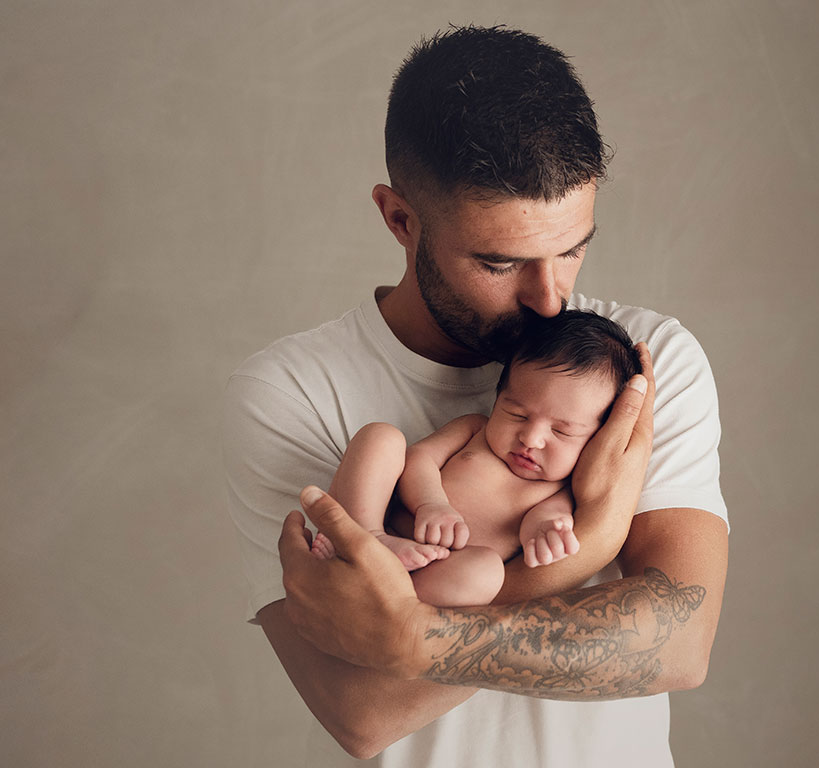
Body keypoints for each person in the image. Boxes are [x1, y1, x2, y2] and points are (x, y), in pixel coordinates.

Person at [223, 24, 729, 767]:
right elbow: (363, 714)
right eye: (500, 261)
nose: (552, 301)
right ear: (400, 219)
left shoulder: (640, 368)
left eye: (572, 247)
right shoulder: (291, 390)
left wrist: (407, 636)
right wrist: (595, 536)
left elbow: (679, 645)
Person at [309, 311, 643, 608]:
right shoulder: (475, 430)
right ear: (498, 397)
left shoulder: (559, 489)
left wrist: (547, 534)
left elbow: (540, 523)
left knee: (487, 572)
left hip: (439, 570)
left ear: (599, 437)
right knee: (381, 437)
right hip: (387, 525)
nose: (531, 438)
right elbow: (420, 458)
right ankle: (363, 538)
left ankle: (390, 594)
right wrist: (431, 504)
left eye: (563, 432)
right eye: (516, 413)